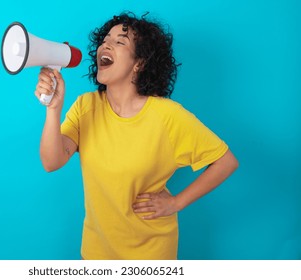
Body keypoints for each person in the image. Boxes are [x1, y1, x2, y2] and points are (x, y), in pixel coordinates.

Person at [34, 12, 238, 260]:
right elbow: (51, 161)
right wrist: (53, 110)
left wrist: (176, 203)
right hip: (96, 253)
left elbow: (226, 161)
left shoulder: (168, 116)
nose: (106, 45)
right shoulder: (85, 107)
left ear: (139, 63)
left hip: (151, 256)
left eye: (120, 42)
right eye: (106, 39)